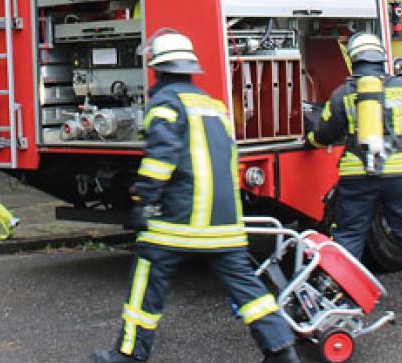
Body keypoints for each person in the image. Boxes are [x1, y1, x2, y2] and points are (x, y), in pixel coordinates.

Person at [93, 29, 297, 363]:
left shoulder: (165, 104)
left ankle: (129, 354)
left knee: (146, 279)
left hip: (178, 222)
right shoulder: (213, 106)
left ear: (157, 68)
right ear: (190, 67)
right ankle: (282, 351)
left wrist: (144, 200)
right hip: (225, 225)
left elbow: (161, 161)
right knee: (248, 290)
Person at [306, 32, 402, 316]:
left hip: (358, 176)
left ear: (353, 59)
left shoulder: (342, 93)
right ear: (381, 58)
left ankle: (341, 301)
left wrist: (312, 141)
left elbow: (325, 132)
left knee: (349, 235)